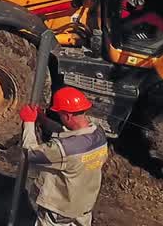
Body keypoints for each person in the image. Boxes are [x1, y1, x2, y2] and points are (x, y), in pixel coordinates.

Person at [20, 87, 108, 226]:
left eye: (61, 115)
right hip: (84, 209)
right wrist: (43, 120)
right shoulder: (99, 135)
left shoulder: (64, 149)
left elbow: (31, 154)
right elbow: (68, 134)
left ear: (67, 116)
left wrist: (29, 123)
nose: (61, 118)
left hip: (60, 211)